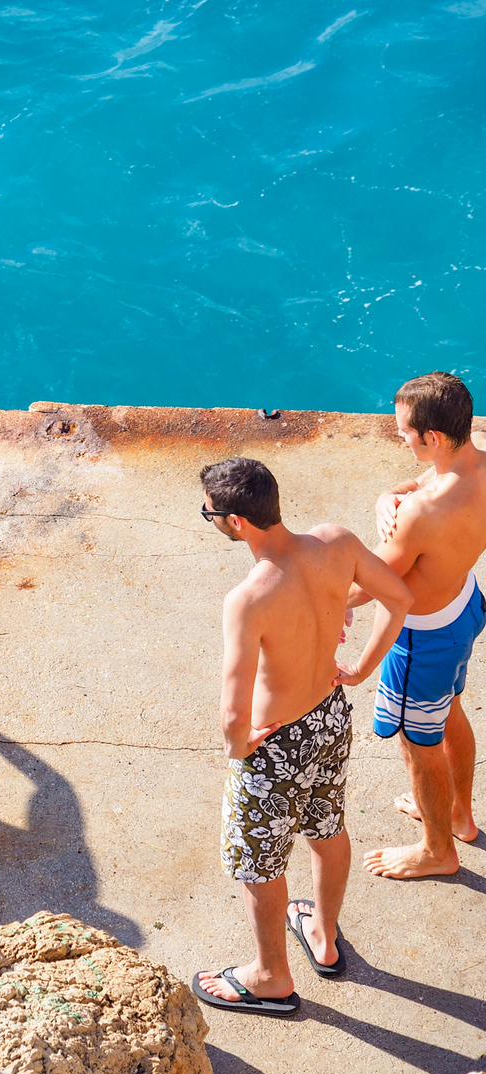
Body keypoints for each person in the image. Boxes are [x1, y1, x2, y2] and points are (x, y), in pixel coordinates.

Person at [193, 458, 411, 1017]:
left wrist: (237, 746)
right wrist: (361, 668)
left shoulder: (249, 597)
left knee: (258, 865)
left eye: (209, 514)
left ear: (236, 521)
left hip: (274, 747)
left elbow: (232, 704)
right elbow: (399, 598)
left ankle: (269, 978)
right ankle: (324, 934)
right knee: (327, 826)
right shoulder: (335, 542)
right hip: (329, 717)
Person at [357, 372, 486, 878]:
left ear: (432, 437)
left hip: (422, 639)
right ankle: (459, 815)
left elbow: (371, 584)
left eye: (405, 433)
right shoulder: (475, 462)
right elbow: (429, 483)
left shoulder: (423, 513)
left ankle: (437, 851)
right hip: (464, 607)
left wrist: (318, 602)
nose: (401, 438)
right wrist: (386, 496)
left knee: (420, 743)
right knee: (449, 711)